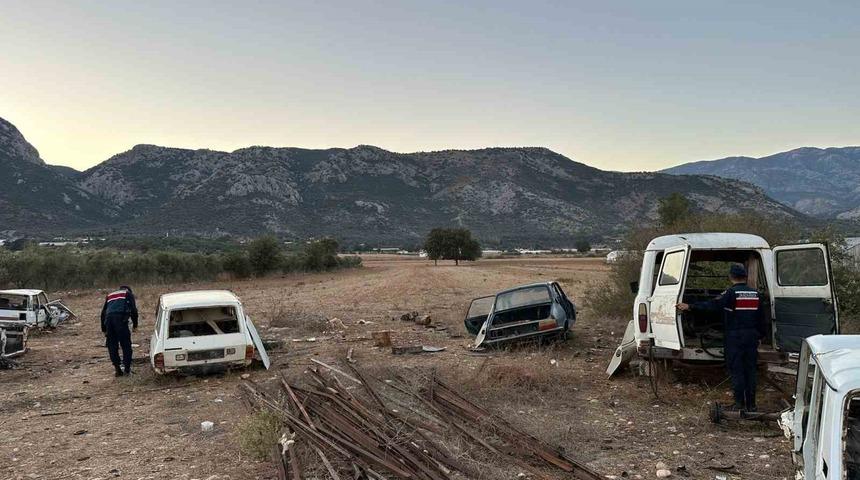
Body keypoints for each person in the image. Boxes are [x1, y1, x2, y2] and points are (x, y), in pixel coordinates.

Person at [676, 264, 763, 412]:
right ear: (745, 277)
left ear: (731, 277)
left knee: (737, 370)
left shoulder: (730, 293)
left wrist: (689, 307)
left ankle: (739, 404)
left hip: (735, 336)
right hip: (751, 336)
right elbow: (761, 318)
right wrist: (760, 335)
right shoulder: (755, 294)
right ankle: (752, 405)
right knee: (750, 370)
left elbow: (712, 306)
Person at [100, 285, 138, 377]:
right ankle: (127, 369)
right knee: (126, 345)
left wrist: (104, 329)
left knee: (112, 345)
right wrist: (135, 325)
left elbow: (103, 313)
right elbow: (133, 310)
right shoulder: (128, 294)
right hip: (120, 319)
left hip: (109, 321)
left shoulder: (110, 295)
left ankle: (117, 369)